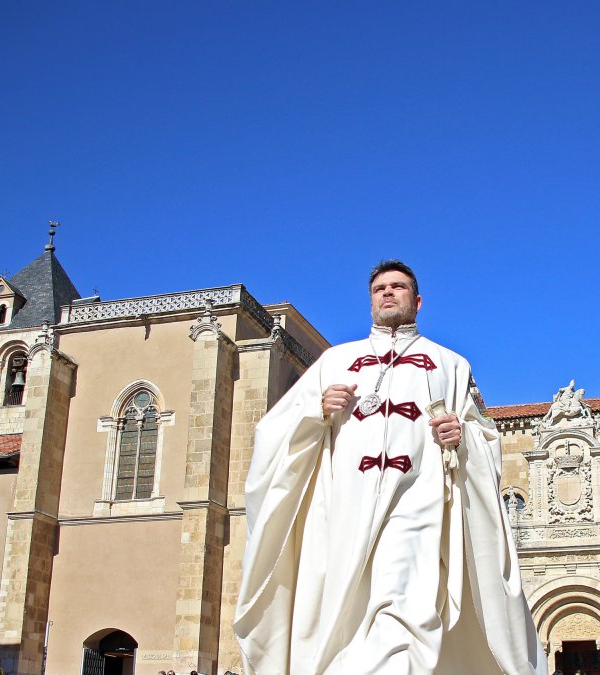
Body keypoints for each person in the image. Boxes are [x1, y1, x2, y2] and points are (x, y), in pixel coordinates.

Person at [234, 260, 546, 674]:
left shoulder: (451, 366)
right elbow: (271, 433)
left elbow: (487, 436)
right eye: (380, 288)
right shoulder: (334, 362)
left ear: (416, 301)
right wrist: (315, 411)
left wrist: (462, 435)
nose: (388, 293)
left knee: (403, 605)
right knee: (342, 616)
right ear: (370, 302)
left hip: (418, 503)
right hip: (344, 509)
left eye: (398, 287)